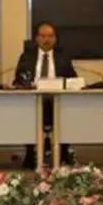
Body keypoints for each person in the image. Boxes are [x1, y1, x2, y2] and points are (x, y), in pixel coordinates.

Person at [14, 22, 77, 168]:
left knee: (67, 111)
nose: (46, 40)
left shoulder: (63, 56)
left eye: (50, 36)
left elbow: (73, 79)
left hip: (58, 100)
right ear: (37, 39)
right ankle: (31, 153)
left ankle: (63, 152)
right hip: (33, 100)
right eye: (43, 36)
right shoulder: (27, 56)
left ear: (55, 39)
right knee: (27, 112)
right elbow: (18, 79)